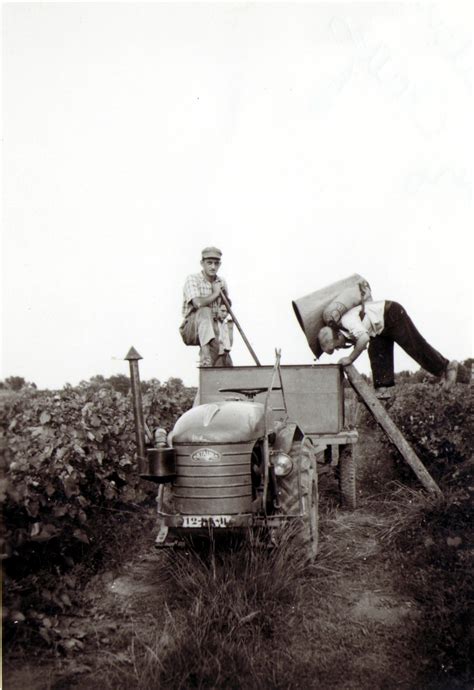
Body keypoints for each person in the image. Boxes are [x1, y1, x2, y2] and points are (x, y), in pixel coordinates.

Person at [317, 300, 458, 398]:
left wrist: (350, 358)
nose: (339, 348)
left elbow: (364, 339)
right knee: (376, 350)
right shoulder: (344, 330)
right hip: (380, 327)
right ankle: (382, 389)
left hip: (392, 314)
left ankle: (447, 366)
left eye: (336, 347)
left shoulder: (348, 322)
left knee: (414, 346)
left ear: (337, 336)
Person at [180, 246, 232, 367]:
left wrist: (223, 304)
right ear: (202, 263)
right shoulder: (192, 279)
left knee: (214, 364)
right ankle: (206, 356)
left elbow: (227, 306)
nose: (213, 267)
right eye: (209, 263)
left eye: (216, 263)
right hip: (192, 329)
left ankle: (208, 366)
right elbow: (197, 303)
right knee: (205, 311)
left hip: (212, 330)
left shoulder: (221, 282)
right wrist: (215, 293)